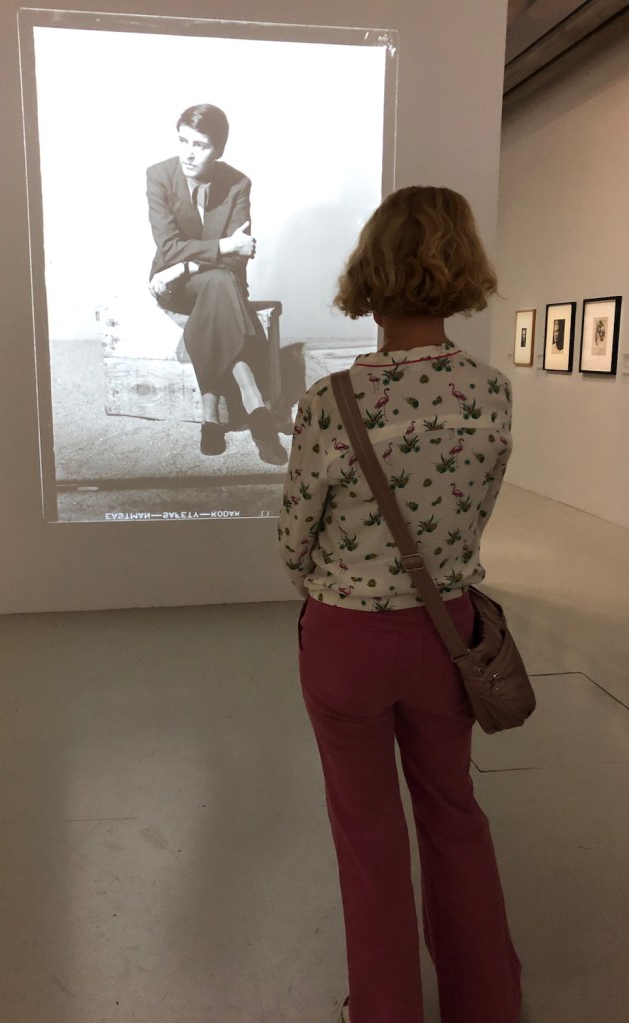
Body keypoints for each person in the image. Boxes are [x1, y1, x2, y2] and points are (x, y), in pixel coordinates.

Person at [279, 186, 522, 1023]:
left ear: (368, 274)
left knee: (367, 833)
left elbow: (293, 541)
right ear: (463, 272)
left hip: (345, 637)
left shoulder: (331, 401)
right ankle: (487, 1001)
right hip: (447, 633)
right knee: (454, 811)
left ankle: (383, 1010)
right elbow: (476, 509)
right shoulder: (489, 394)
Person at [146, 103, 286, 464]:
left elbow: (239, 260)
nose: (189, 153)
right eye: (183, 141)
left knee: (221, 280)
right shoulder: (159, 176)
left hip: (210, 282)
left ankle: (210, 415)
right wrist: (220, 247)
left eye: (201, 145)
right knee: (219, 280)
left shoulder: (237, 183)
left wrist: (186, 265)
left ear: (219, 149)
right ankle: (255, 403)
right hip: (173, 286)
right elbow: (169, 247)